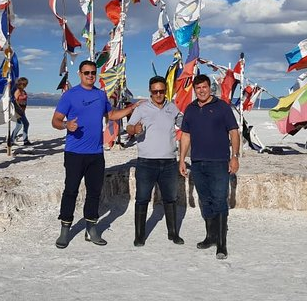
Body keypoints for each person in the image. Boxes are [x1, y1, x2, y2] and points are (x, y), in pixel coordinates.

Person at [51, 60, 140, 249]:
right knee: (70, 191)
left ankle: (91, 228)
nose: (90, 76)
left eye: (93, 73)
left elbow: (112, 115)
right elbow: (56, 120)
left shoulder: (101, 95)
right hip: (74, 153)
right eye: (86, 73)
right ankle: (65, 229)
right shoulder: (70, 95)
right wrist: (67, 125)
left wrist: (131, 108)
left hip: (96, 154)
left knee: (94, 192)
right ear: (80, 74)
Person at [178, 74, 240, 260]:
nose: (202, 90)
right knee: (205, 201)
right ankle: (210, 236)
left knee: (220, 201)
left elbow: (234, 132)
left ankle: (221, 244)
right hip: (198, 163)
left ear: (209, 88)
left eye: (204, 87)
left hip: (219, 163)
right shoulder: (190, 109)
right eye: (198, 88)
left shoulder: (222, 107)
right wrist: (181, 159)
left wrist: (234, 156)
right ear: (195, 90)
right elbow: (186, 136)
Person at [125, 76, 184, 247]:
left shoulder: (172, 108)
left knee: (170, 198)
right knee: (142, 199)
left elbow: (184, 123)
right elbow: (129, 126)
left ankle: (173, 233)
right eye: (155, 91)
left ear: (166, 91)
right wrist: (134, 129)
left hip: (169, 163)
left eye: (161, 91)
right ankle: (139, 235)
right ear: (150, 92)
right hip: (146, 163)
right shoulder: (142, 109)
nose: (158, 94)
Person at [11, 77, 30, 146]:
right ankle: (24, 140)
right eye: (25, 84)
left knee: (19, 125)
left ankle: (12, 140)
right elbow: (14, 101)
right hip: (18, 111)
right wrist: (18, 110)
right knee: (23, 124)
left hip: (22, 111)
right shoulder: (18, 91)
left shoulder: (23, 91)